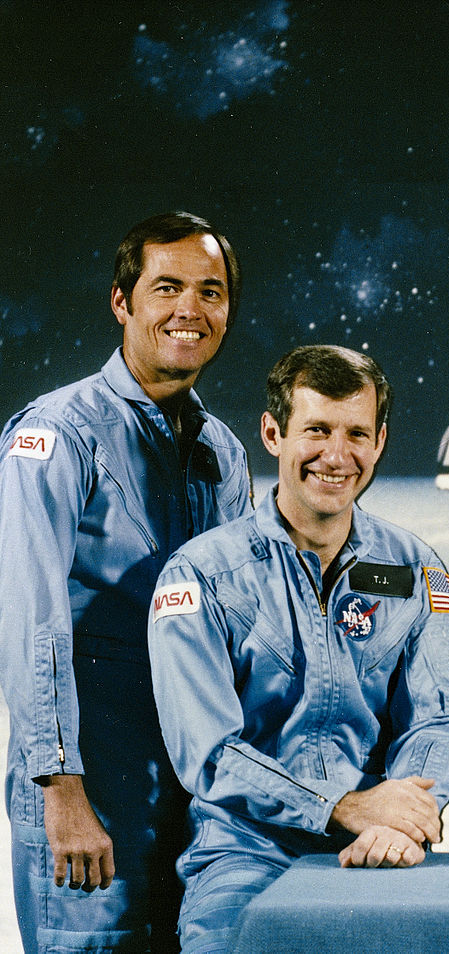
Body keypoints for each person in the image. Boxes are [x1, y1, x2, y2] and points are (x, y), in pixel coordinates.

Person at [146, 345, 449, 953]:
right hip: (247, 855)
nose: (336, 455)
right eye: (317, 430)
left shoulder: (417, 569)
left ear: (379, 442)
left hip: (381, 845)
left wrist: (402, 814)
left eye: (356, 433)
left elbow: (447, 713)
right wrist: (339, 806)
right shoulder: (200, 577)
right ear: (273, 433)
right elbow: (209, 750)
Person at [0, 212, 252, 953]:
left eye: (211, 292)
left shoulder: (220, 451)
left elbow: (234, 629)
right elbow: (31, 618)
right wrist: (61, 788)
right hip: (92, 780)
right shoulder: (57, 435)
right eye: (167, 287)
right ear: (122, 301)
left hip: (188, 787)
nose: (190, 310)